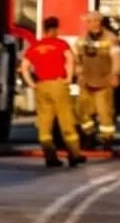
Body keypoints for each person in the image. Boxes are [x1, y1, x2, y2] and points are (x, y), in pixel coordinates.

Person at [20, 16, 86, 168]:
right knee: (67, 120)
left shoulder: (35, 46)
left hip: (42, 86)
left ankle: (50, 156)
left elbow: (24, 67)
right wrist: (69, 78)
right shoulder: (61, 44)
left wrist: (32, 84)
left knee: (45, 124)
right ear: (55, 29)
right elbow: (70, 60)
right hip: (58, 85)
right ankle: (74, 154)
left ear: (44, 29)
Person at [75, 11, 120, 152]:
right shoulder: (81, 40)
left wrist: (115, 74)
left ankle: (107, 140)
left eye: (97, 21)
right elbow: (77, 59)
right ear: (87, 24)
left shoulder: (110, 38)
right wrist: (78, 74)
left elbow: (117, 58)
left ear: (101, 22)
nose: (94, 24)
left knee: (105, 114)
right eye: (90, 21)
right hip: (86, 82)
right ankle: (90, 135)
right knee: (81, 112)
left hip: (104, 82)